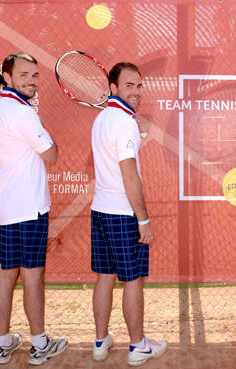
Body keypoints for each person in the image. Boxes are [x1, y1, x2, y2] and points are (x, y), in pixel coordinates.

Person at [0, 52, 67, 365]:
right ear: (7, 78)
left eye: (35, 75)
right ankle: (39, 345)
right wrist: (42, 126)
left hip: (6, 209)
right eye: (24, 75)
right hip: (28, 211)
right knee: (33, 276)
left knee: (7, 274)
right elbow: (51, 154)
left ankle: (4, 345)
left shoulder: (1, 109)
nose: (32, 81)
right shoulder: (22, 113)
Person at [90, 62, 168, 366]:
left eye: (139, 85)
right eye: (129, 86)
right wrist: (143, 219)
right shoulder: (124, 122)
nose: (136, 91)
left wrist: (138, 134)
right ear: (113, 88)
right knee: (133, 280)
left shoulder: (103, 119)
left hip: (101, 211)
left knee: (105, 276)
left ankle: (100, 342)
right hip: (123, 215)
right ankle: (138, 347)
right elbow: (129, 174)